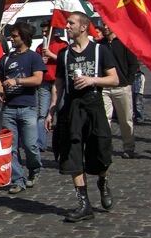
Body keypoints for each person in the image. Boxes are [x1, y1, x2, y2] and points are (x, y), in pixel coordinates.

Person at [45, 13, 118, 222]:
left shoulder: (99, 50)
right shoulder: (64, 54)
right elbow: (59, 83)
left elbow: (114, 79)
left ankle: (102, 181)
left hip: (94, 105)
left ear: (84, 27)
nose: (67, 26)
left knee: (102, 152)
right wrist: (52, 109)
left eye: (71, 23)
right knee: (73, 154)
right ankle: (84, 204)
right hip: (72, 107)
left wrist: (92, 80)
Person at [0, 22, 46, 194]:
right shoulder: (6, 58)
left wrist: (17, 81)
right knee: (11, 146)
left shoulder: (33, 57)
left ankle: (34, 170)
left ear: (24, 38)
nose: (11, 39)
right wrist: (0, 89)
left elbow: (38, 79)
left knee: (31, 145)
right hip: (9, 108)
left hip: (27, 107)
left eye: (14, 36)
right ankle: (18, 179)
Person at [98, 22, 138, 158]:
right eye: (103, 25)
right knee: (105, 119)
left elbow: (133, 64)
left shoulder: (124, 42)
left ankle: (129, 148)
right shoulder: (100, 45)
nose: (105, 27)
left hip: (122, 86)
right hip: (105, 87)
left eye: (107, 25)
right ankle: (106, 147)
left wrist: (128, 82)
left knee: (125, 119)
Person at [35, 21, 67, 153]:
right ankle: (40, 144)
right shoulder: (40, 47)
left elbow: (65, 60)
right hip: (44, 83)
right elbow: (35, 65)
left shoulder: (62, 45)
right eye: (42, 31)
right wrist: (40, 62)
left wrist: (51, 55)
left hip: (58, 82)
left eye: (46, 31)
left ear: (53, 31)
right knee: (42, 114)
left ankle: (61, 142)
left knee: (61, 112)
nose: (44, 34)